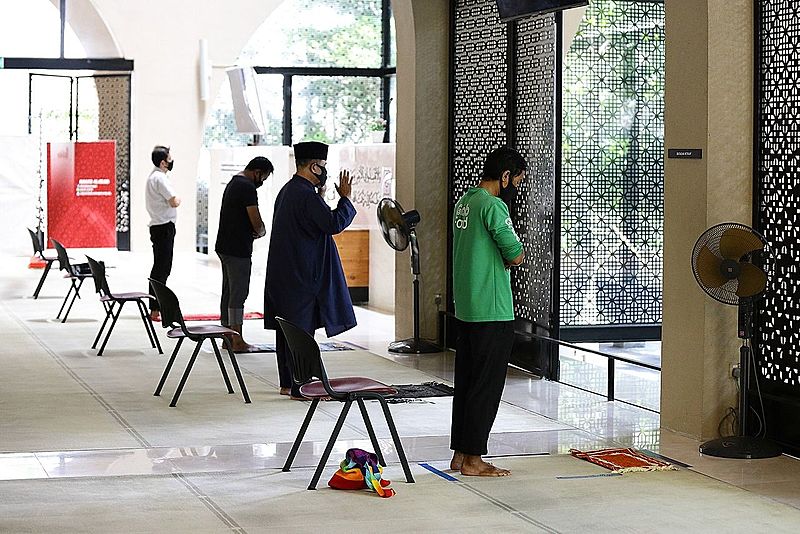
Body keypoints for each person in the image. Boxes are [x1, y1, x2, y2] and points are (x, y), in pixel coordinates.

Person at [450, 146, 526, 477]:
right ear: (505, 176)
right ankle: (474, 460)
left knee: (467, 382)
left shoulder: (464, 202)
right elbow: (514, 252)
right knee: (486, 386)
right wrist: (515, 255)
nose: (517, 188)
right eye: (517, 181)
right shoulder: (493, 205)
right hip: (493, 309)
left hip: (467, 307)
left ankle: (460, 453)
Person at [264, 141, 356, 399]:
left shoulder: (289, 190)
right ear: (314, 166)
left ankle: (288, 382)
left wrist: (322, 196)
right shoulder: (305, 195)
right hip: (303, 277)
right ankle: (302, 386)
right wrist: (345, 199)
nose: (325, 171)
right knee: (301, 333)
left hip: (285, 276)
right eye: (323, 166)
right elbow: (333, 223)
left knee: (287, 333)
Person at [215, 156, 274, 352]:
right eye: (263, 177)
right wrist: (262, 231)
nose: (262, 182)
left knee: (228, 292)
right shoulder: (247, 187)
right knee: (238, 293)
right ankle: (237, 339)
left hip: (225, 246)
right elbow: (255, 219)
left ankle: (227, 336)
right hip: (238, 249)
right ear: (257, 172)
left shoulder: (234, 182)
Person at [145, 145, 180, 321]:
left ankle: (155, 306)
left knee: (159, 267)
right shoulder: (160, 178)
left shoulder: (154, 177)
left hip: (158, 226)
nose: (171, 162)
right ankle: (156, 307)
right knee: (162, 268)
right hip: (164, 226)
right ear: (163, 162)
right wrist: (179, 198)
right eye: (169, 159)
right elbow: (174, 201)